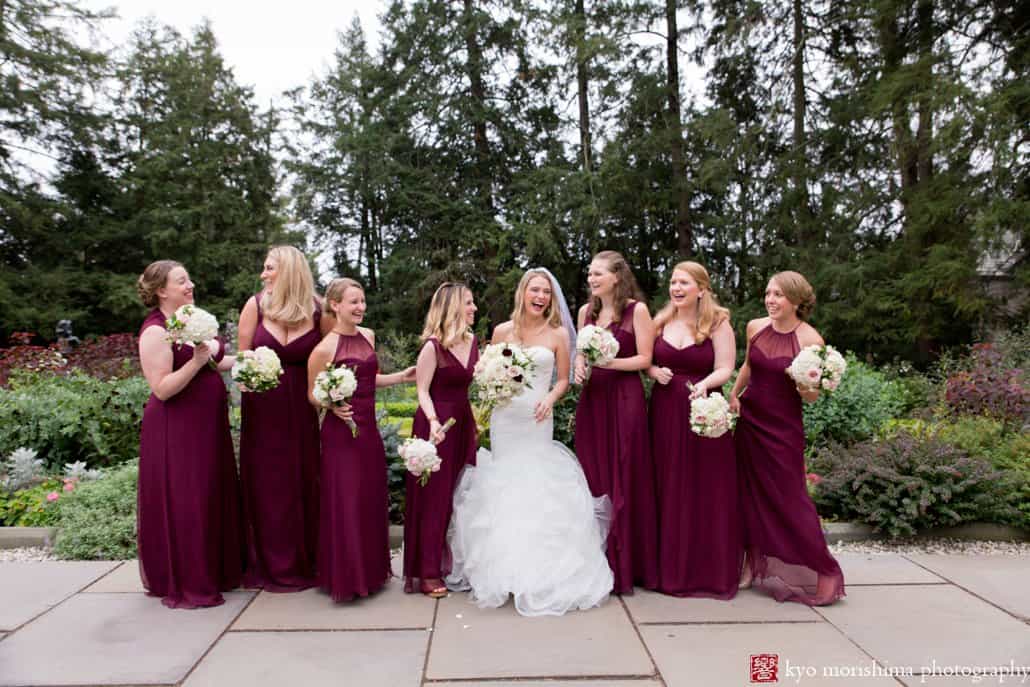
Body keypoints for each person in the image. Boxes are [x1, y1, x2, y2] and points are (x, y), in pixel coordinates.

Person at [447, 268, 613, 616]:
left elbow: (564, 379)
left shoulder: (557, 334)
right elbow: (485, 372)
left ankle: (539, 571)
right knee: (506, 483)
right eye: (535, 290)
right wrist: (495, 389)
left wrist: (549, 399)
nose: (540, 297)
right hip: (506, 418)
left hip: (538, 417)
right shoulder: (502, 331)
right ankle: (503, 568)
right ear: (523, 292)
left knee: (535, 484)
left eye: (547, 292)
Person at [730, 270, 845, 606]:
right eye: (768, 293)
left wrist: (803, 379)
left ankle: (822, 569)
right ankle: (751, 565)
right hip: (751, 420)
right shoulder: (755, 327)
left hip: (783, 427)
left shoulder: (810, 339)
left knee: (790, 496)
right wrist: (735, 394)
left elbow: (810, 399)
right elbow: (749, 366)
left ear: (796, 300)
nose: (770, 300)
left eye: (778, 294)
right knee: (748, 493)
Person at [136, 260, 245, 608]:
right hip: (177, 429)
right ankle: (189, 580)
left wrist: (251, 360)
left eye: (189, 278)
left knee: (211, 494)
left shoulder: (189, 320)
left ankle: (215, 571)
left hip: (206, 426)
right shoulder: (156, 331)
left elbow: (214, 360)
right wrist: (197, 362)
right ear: (160, 290)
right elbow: (163, 388)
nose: (190, 285)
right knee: (189, 500)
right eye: (182, 281)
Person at [308, 278, 414, 602]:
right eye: (353, 302)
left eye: (363, 301)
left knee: (369, 497)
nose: (360, 307)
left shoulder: (368, 336)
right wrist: (331, 403)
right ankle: (348, 577)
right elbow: (311, 395)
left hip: (368, 430)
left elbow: (370, 379)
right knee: (346, 500)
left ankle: (371, 571)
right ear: (335, 305)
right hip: (341, 432)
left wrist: (401, 376)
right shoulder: (324, 348)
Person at [237, 245, 330, 591]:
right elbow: (242, 360)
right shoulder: (255, 306)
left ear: (289, 270)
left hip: (303, 410)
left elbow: (334, 355)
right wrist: (248, 377)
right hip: (262, 410)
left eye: (269, 268)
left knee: (302, 480)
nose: (263, 274)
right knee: (266, 483)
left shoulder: (319, 311)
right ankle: (267, 563)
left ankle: (306, 560)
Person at [647, 261, 741, 598]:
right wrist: (654, 372)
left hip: (704, 412)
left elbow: (726, 367)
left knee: (705, 487)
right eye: (673, 282)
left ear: (701, 288)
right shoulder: (659, 322)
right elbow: (646, 360)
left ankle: (707, 571)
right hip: (664, 411)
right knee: (668, 483)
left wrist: (704, 385)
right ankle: (668, 570)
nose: (676, 288)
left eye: (684, 282)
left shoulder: (718, 323)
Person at [574, 250, 659, 594]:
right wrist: (581, 366)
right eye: (590, 274)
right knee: (594, 475)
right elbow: (582, 349)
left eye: (598, 274)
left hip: (625, 398)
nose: (592, 280)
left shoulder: (636, 311)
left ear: (616, 277)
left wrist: (608, 363)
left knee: (625, 474)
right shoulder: (586, 312)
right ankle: (597, 562)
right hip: (593, 401)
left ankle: (628, 566)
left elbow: (645, 358)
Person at [404, 283, 479, 597]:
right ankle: (428, 571)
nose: (474, 308)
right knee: (434, 500)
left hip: (463, 423)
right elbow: (422, 390)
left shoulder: (474, 342)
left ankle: (455, 565)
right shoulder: (432, 347)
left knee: (460, 494)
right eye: (469, 303)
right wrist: (434, 422)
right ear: (451, 307)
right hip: (436, 426)